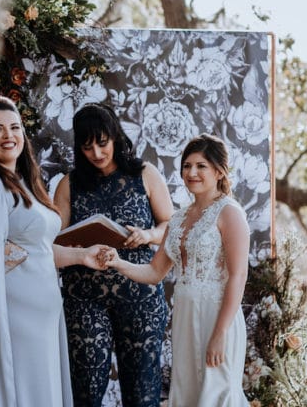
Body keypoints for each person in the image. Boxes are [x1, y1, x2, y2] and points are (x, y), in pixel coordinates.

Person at [0, 95, 107, 407]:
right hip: (11, 320)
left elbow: (36, 250)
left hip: (41, 318)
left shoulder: (24, 183)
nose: (9, 135)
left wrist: (81, 255)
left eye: (15, 127)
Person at [100, 134, 250, 406]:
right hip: (184, 317)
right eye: (187, 166)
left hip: (217, 317)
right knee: (189, 395)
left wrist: (220, 334)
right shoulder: (177, 219)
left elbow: (238, 276)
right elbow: (155, 272)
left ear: (218, 171)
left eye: (201, 166)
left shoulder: (230, 213)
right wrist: (116, 261)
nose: (191, 172)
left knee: (218, 394)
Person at [53, 103, 174, 406]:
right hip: (84, 297)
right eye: (87, 145)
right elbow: (53, 241)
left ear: (116, 137)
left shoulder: (145, 173)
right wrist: (75, 246)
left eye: (102, 142)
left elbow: (171, 224)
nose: (96, 152)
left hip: (140, 295)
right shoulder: (69, 184)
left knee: (143, 391)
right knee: (86, 389)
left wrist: (147, 235)